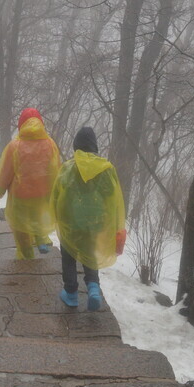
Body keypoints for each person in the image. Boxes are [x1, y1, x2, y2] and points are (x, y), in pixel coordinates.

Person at [51, 126, 126, 311]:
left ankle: (71, 293)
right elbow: (113, 197)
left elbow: (57, 195)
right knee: (89, 254)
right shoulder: (106, 169)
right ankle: (93, 287)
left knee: (68, 256)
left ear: (76, 146)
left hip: (70, 223)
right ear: (94, 147)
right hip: (94, 223)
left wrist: (55, 216)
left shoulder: (68, 168)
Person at [0, 108, 61, 259]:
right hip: (42, 194)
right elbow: (55, 169)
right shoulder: (50, 144)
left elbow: (6, 172)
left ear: (21, 124)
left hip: (20, 196)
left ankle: (27, 257)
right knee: (37, 219)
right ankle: (41, 239)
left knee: (22, 228)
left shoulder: (15, 146)